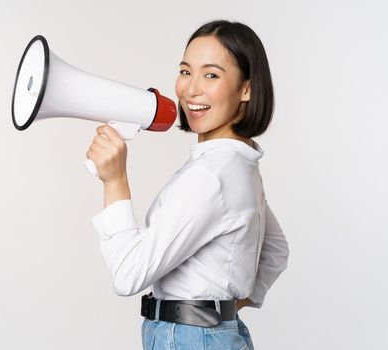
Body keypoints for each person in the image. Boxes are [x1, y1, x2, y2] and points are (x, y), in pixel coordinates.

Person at [87, 20, 289, 349]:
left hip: (187, 338)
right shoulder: (240, 164)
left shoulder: (209, 176)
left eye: (211, 75)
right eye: (185, 71)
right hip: (212, 335)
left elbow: (128, 276)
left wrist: (115, 180)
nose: (191, 89)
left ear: (246, 88)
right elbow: (277, 250)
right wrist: (222, 312)